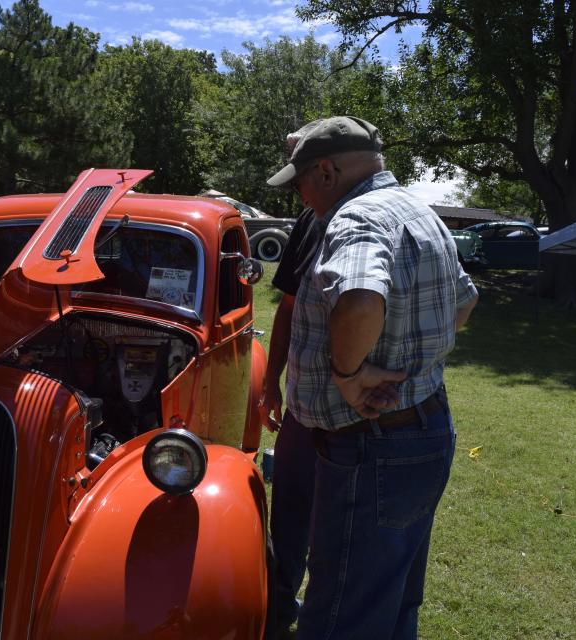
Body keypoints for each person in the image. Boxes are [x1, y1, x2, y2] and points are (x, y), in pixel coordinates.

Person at [266, 116, 478, 639]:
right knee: (393, 598)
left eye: (299, 183)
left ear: (328, 171)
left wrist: (349, 373)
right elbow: (467, 300)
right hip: (423, 431)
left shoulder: (355, 218)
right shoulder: (419, 212)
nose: (298, 196)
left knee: (341, 615)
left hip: (371, 445)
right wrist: (410, 356)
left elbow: (361, 299)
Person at [260, 124, 327, 639]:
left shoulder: (374, 222)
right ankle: (280, 604)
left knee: (338, 520)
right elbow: (285, 304)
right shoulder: (310, 219)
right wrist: (270, 381)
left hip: (352, 412)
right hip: (303, 406)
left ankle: (324, 610)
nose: (297, 188)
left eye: (301, 173)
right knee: (289, 511)